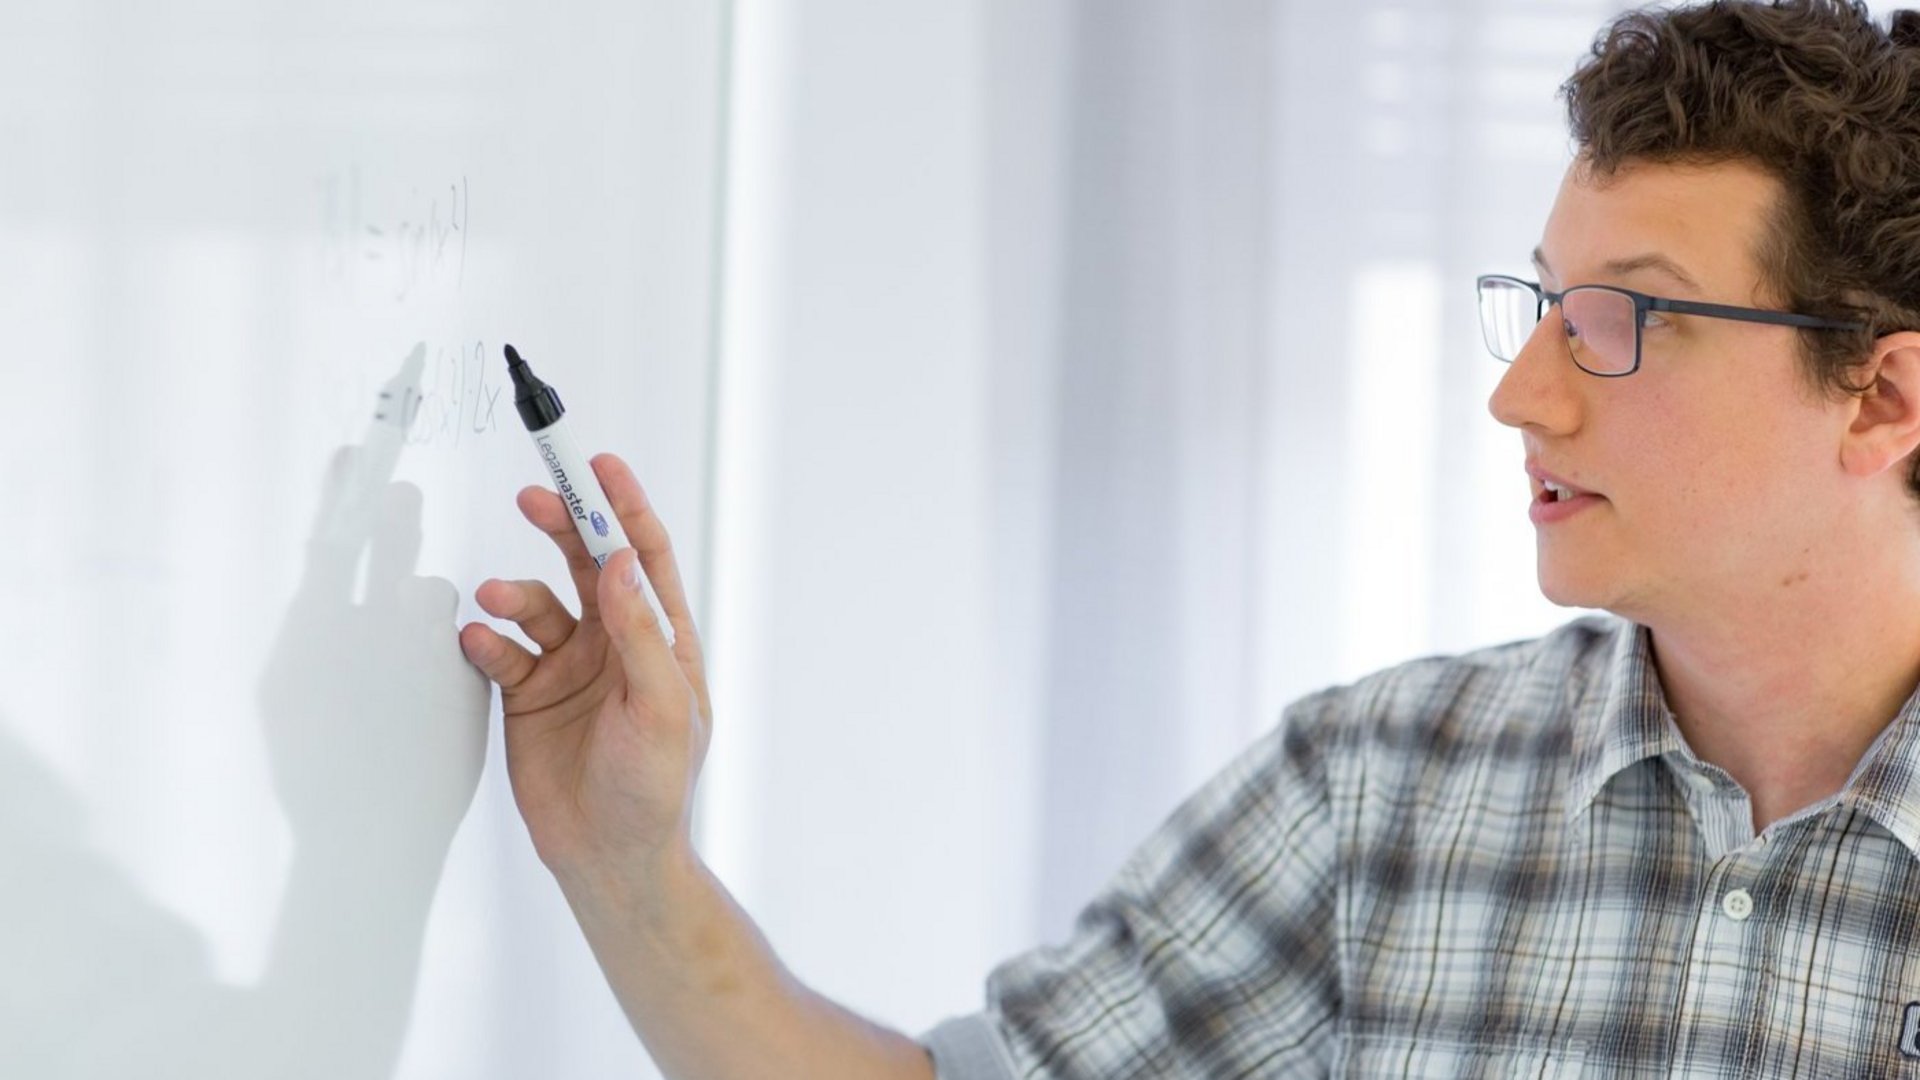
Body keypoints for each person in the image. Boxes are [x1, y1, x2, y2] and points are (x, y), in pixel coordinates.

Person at [456, 0, 1920, 1075]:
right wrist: (628, 863)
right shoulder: (1379, 782)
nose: (1519, 395)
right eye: (1542, 303)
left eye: (1621, 319)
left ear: (1882, 396)